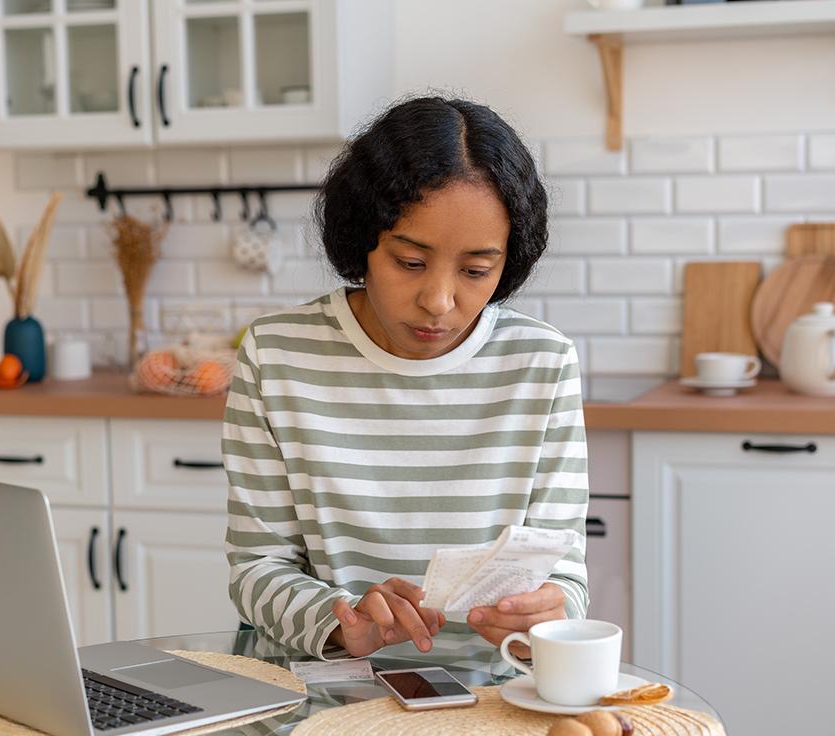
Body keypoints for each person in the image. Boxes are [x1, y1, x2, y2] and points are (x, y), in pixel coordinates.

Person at [221, 94, 588, 660]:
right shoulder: (276, 357)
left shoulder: (543, 364)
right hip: (327, 688)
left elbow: (565, 580)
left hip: (489, 696)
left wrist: (547, 612)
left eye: (475, 270)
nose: (439, 301)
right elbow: (257, 566)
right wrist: (340, 621)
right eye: (410, 263)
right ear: (362, 239)